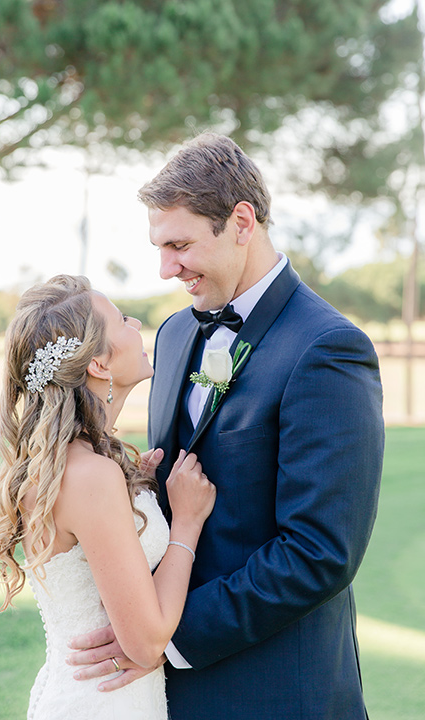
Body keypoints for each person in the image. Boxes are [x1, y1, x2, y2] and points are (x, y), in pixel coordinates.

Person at [67, 134, 384, 719]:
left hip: (277, 690)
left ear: (241, 221)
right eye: (160, 248)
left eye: (180, 244)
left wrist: (169, 638)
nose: (167, 268)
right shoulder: (173, 334)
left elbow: (320, 551)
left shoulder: (329, 349)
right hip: (161, 692)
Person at [0, 273, 216, 720]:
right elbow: (147, 642)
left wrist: (138, 495)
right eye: (122, 321)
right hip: (104, 703)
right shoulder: (90, 475)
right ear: (98, 364)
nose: (136, 325)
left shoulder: (76, 465)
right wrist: (186, 524)